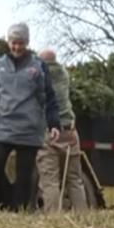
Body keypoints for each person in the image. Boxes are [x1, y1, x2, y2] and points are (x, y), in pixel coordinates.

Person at [0, 23, 61, 211]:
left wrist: (54, 123)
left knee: (24, 175)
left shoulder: (38, 66)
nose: (17, 47)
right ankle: (7, 203)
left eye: (21, 43)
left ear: (27, 42)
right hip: (1, 125)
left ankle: (20, 210)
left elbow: (49, 97)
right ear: (8, 42)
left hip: (29, 128)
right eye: (13, 43)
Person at [35, 48, 88, 213]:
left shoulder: (40, 78)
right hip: (70, 131)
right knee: (74, 179)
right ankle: (83, 216)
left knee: (50, 181)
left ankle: (53, 220)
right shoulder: (64, 75)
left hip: (50, 132)